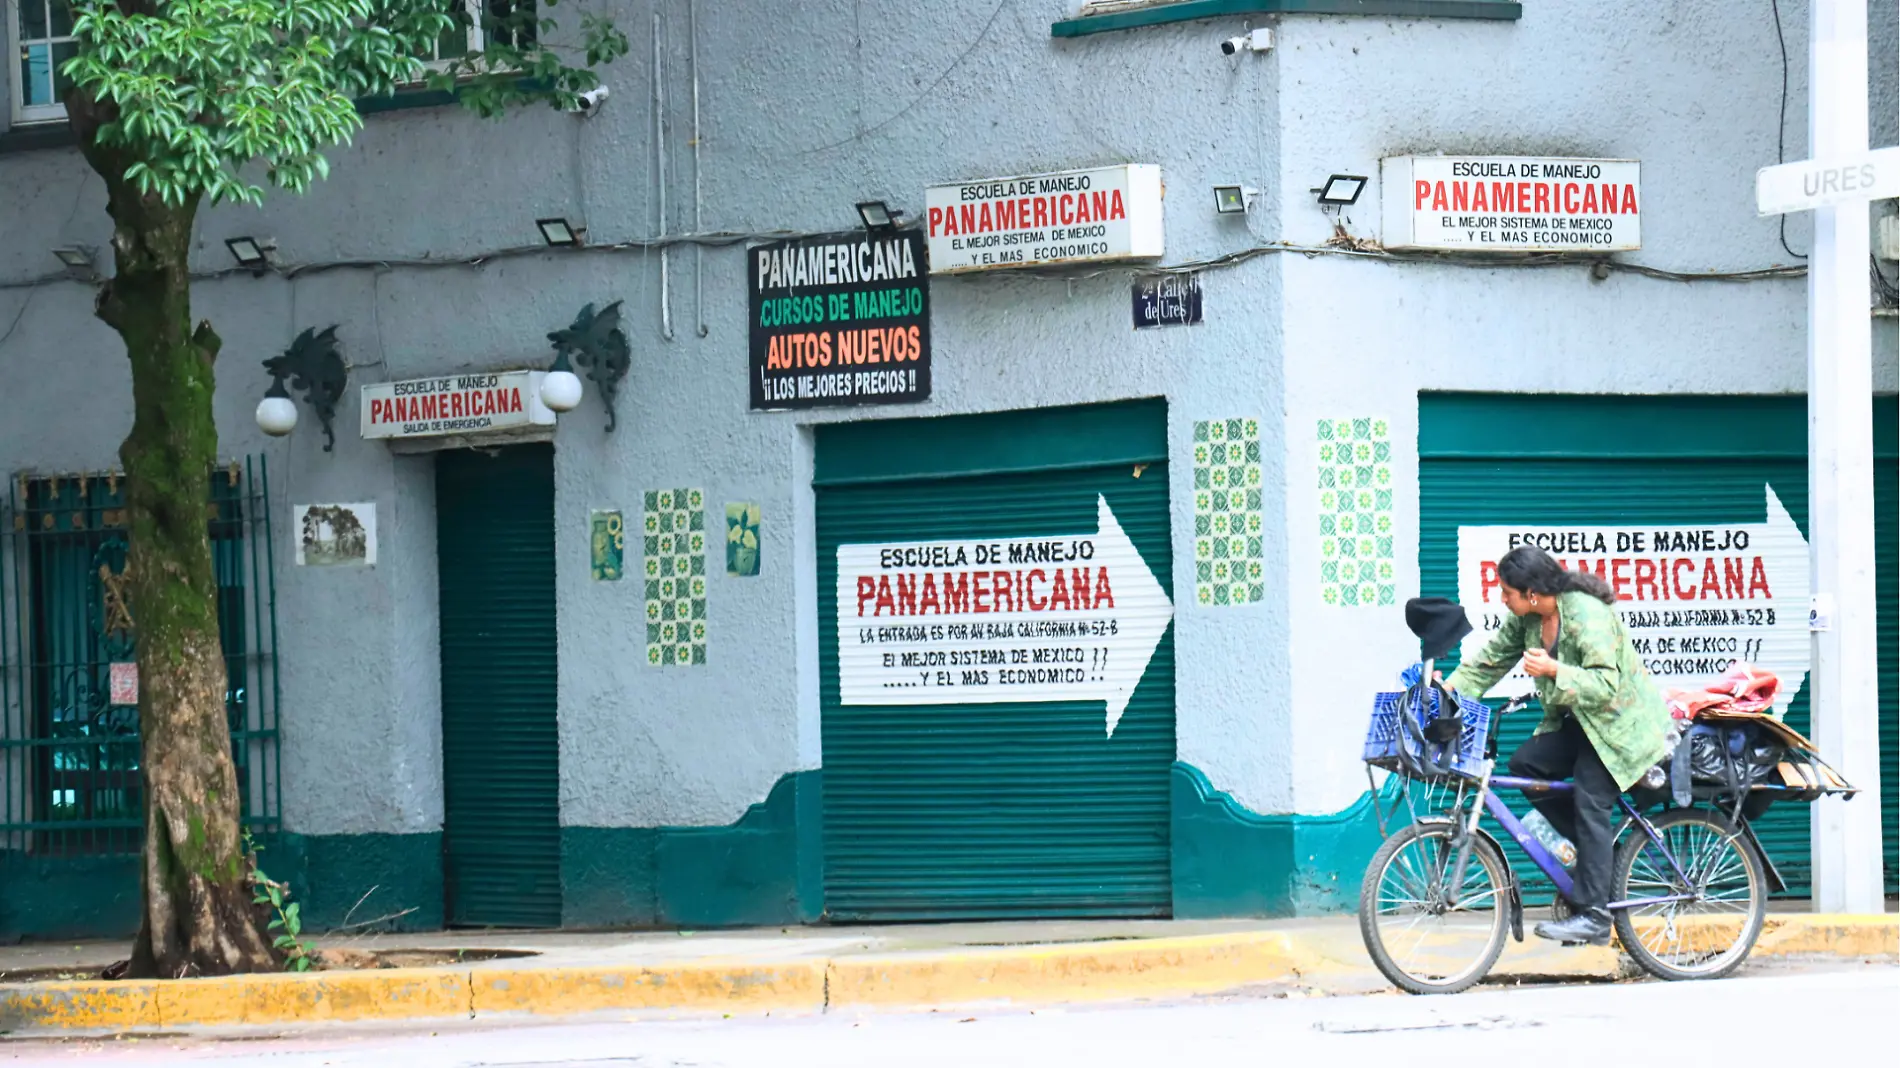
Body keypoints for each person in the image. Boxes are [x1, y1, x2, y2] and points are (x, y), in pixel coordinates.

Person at [1443, 545, 1672, 945]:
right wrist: (1446, 691)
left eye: (1507, 593)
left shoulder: (1585, 614)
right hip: (1582, 722)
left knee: (1590, 796)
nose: (1503, 599)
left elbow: (1607, 685)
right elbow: (1491, 660)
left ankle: (1595, 916)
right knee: (1527, 766)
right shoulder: (1529, 618)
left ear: (1531, 592)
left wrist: (1554, 669)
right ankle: (1599, 852)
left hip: (1621, 727)